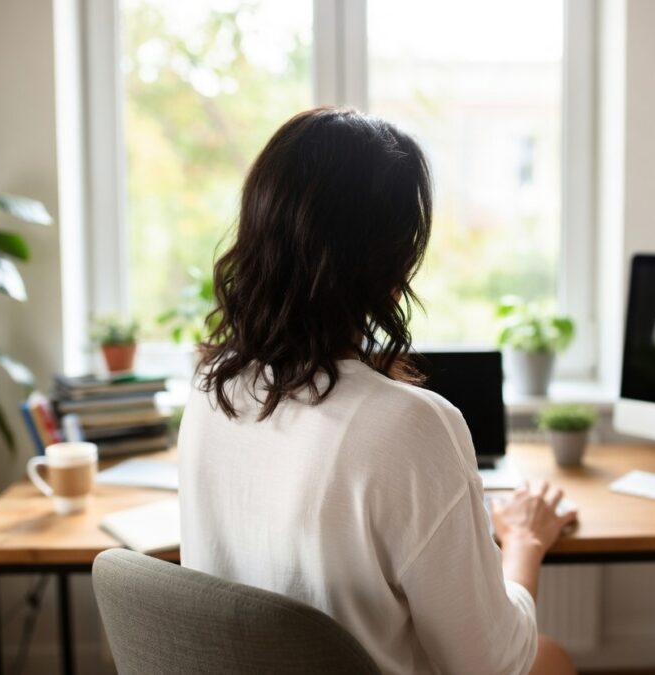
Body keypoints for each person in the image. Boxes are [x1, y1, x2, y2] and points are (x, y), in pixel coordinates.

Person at [178, 107, 577, 675]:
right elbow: (493, 666)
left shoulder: (208, 388)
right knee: (552, 658)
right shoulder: (410, 426)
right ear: (390, 269)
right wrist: (524, 544)